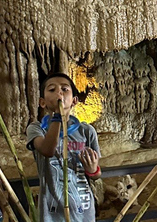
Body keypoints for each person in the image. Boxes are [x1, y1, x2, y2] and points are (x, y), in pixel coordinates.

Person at [26, 73, 101, 222]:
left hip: (83, 211)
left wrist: (93, 170)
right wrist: (57, 117)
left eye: (65, 89)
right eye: (52, 90)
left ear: (74, 101)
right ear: (42, 102)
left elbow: (97, 174)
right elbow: (48, 150)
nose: (59, 92)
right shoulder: (36, 129)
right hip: (51, 214)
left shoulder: (86, 131)